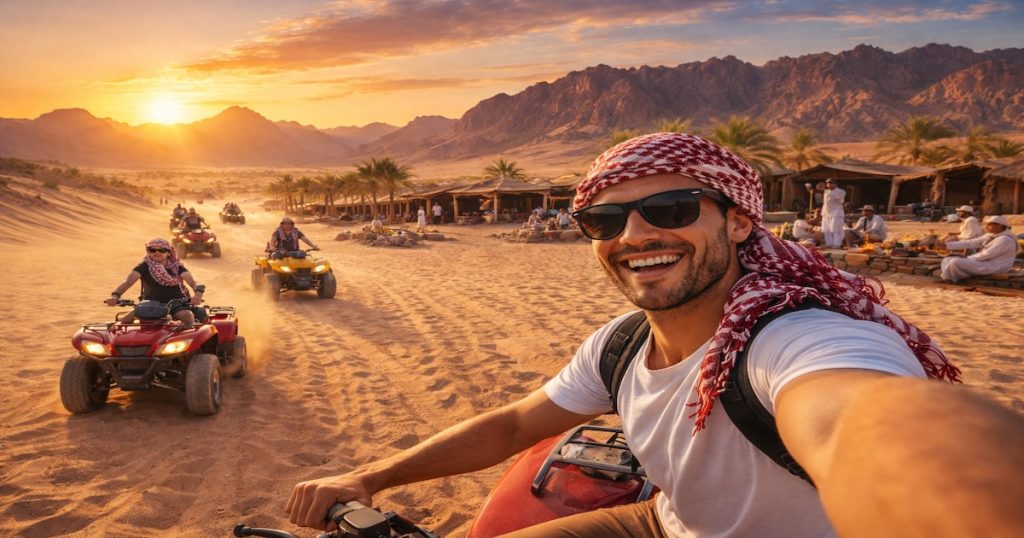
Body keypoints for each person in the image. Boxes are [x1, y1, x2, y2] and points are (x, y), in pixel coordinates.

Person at [286, 133, 1024, 537]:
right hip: (661, 525)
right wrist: (368, 477)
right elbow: (515, 422)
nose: (636, 235)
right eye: (605, 222)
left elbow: (861, 421)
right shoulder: (621, 343)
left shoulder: (795, 338)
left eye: (670, 209)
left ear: (738, 221)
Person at [105, 238, 206, 325]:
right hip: (149, 305)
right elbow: (127, 282)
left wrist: (197, 294)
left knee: (187, 316)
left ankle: (191, 345)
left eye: (161, 250)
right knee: (122, 323)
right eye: (152, 250)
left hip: (176, 303)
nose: (157, 253)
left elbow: (192, 281)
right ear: (148, 252)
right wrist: (115, 296)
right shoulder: (144, 266)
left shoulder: (176, 267)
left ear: (168, 252)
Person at [939, 215, 1018, 283]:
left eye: (990, 225)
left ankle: (950, 279)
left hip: (996, 266)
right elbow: (970, 243)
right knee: (947, 260)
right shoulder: (990, 235)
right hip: (984, 262)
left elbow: (987, 254)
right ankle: (956, 277)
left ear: (1000, 226)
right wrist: (947, 245)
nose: (986, 227)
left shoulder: (1005, 239)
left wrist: (968, 258)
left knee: (955, 262)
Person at [820, 178, 845, 248]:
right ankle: (829, 243)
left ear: (835, 184)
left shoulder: (841, 191)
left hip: (836, 213)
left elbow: (840, 200)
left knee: (836, 229)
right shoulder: (826, 191)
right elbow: (816, 189)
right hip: (826, 212)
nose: (829, 184)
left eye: (831, 183)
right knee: (826, 229)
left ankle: (837, 244)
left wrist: (830, 193)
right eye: (828, 183)